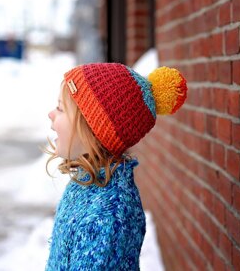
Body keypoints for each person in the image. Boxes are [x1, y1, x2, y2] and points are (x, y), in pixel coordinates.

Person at [45, 62, 187, 270]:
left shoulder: (107, 217)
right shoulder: (86, 183)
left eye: (60, 108)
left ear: (93, 129)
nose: (51, 114)